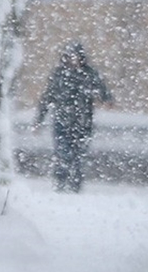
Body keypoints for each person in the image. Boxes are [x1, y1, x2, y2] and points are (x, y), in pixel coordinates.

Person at [35, 41, 113, 192]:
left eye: (76, 56)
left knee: (78, 156)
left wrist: (106, 99)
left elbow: (102, 90)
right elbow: (47, 97)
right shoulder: (58, 75)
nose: (73, 60)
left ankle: (75, 185)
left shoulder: (89, 74)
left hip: (83, 123)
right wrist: (39, 119)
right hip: (62, 121)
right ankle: (60, 183)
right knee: (62, 154)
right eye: (70, 56)